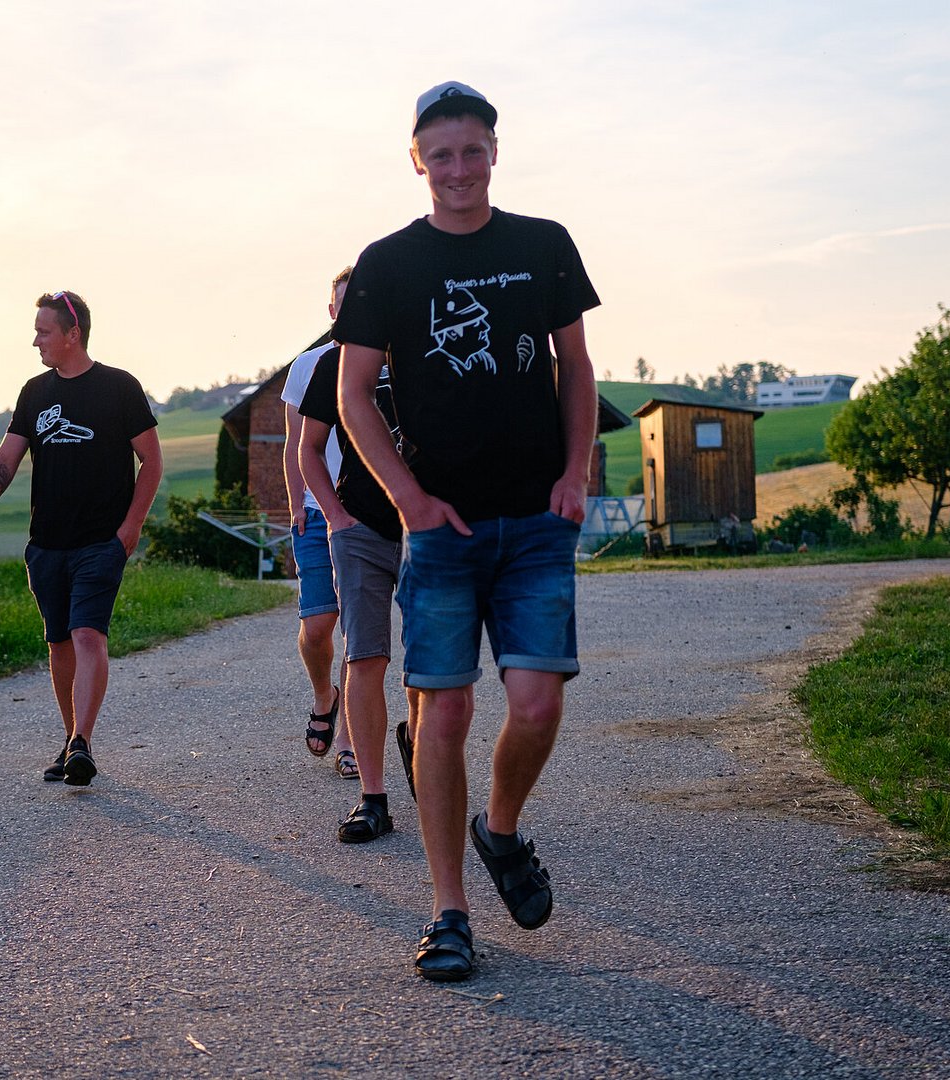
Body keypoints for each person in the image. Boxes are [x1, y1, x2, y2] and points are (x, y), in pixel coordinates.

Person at [334, 81, 601, 981]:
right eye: (440, 154)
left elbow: (576, 366)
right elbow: (353, 395)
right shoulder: (386, 264)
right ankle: (448, 911)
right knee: (443, 711)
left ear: (495, 151)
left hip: (535, 521)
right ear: (418, 161)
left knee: (538, 704)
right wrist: (408, 500)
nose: (458, 168)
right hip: (442, 529)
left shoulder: (543, 244)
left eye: (472, 150)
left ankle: (502, 828)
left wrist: (575, 472)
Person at [0, 291, 161, 787]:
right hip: (47, 543)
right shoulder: (34, 392)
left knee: (88, 633)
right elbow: (6, 459)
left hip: (101, 541)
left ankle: (82, 742)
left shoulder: (119, 387)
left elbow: (152, 461)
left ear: (73, 334)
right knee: (59, 641)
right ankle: (73, 741)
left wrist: (131, 526)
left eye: (43, 332)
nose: (36, 341)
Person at [296, 337, 423, 843]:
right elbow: (308, 447)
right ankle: (373, 800)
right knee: (365, 656)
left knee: (429, 663)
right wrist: (335, 516)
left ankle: (418, 740)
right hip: (361, 528)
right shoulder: (337, 361)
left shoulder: (435, 344)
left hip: (429, 527)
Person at [279, 268, 356, 776]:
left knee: (360, 632)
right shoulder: (307, 367)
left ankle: (350, 739)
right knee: (317, 627)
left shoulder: (388, 363)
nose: (350, 311)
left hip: (367, 514)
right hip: (313, 509)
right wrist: (294, 506)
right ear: (331, 311)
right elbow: (295, 445)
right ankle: (324, 694)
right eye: (342, 303)